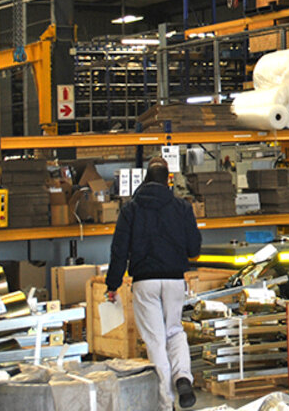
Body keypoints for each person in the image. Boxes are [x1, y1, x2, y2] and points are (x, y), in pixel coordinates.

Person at [106, 157, 201, 411]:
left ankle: (165, 402)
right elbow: (194, 249)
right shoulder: (182, 207)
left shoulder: (130, 209)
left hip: (145, 282)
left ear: (146, 178)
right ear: (168, 179)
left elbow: (119, 251)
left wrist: (112, 284)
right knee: (175, 331)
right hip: (174, 280)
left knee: (155, 341)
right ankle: (183, 377)